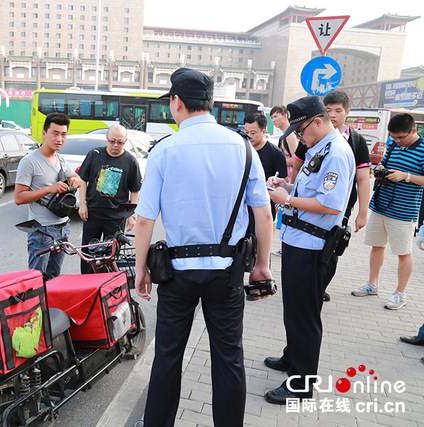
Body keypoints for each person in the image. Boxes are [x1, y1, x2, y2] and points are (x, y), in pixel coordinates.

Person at [134, 68, 274, 427]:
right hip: (227, 274)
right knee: (229, 358)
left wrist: (140, 269)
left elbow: (146, 219)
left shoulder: (165, 150)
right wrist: (262, 264)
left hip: (176, 274)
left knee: (167, 358)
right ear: (210, 103)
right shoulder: (244, 147)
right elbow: (262, 212)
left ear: (177, 102)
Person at [264, 95, 355, 404]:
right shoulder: (321, 148)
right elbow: (311, 192)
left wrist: (286, 201)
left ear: (318, 122)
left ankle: (302, 383)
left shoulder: (336, 153)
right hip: (299, 241)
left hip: (313, 247)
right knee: (296, 309)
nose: (299, 138)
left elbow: (329, 205)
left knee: (305, 316)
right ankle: (293, 358)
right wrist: (288, 189)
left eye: (300, 131)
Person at [292, 90, 372, 302]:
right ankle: (314, 290)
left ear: (347, 112)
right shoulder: (311, 139)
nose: (334, 115)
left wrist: (362, 212)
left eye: (338, 110)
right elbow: (299, 169)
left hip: (334, 210)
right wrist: (290, 188)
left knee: (329, 253)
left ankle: (318, 288)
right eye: (329, 110)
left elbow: (363, 179)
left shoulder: (351, 142)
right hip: (310, 209)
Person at [350, 113, 424, 310]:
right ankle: (372, 285)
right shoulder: (392, 145)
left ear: (413, 131)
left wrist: (406, 176)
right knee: (376, 246)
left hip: (404, 211)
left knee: (403, 252)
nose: (397, 141)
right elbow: (383, 164)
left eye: (401, 137)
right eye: (394, 137)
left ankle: (400, 293)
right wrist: (380, 168)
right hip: (380, 204)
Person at [14, 112, 80, 279]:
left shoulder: (61, 159)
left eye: (63, 134)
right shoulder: (29, 162)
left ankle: (49, 306)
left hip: (63, 227)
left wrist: (74, 180)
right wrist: (49, 189)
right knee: (36, 280)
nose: (59, 139)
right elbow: (19, 198)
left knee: (54, 278)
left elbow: (76, 177)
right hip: (42, 230)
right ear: (44, 133)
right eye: (55, 133)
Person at [77, 124, 142, 274]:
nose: (115, 145)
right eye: (112, 141)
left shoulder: (131, 161)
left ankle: (108, 285)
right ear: (107, 139)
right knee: (88, 252)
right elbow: (82, 180)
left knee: (111, 255)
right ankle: (87, 283)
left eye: (120, 142)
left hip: (116, 217)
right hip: (92, 213)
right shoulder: (95, 154)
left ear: (125, 141)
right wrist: (82, 204)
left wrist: (132, 215)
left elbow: (135, 190)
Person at [243, 112, 288, 232]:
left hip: (263, 206)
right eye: (246, 132)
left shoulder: (276, 154)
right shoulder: (241, 149)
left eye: (253, 133)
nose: (249, 136)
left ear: (263, 132)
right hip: (242, 205)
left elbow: (283, 181)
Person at [270, 105, 298, 181]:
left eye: (276, 116)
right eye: (272, 117)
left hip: (291, 179)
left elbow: (296, 160)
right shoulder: (285, 135)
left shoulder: (290, 135)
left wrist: (277, 162)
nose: (273, 120)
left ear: (285, 116)